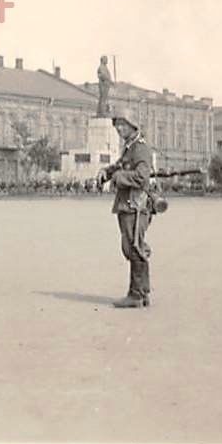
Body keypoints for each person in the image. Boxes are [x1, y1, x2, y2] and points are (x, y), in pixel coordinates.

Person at [97, 108, 154, 308]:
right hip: (129, 204)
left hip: (135, 205)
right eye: (117, 125)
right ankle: (143, 292)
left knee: (134, 247)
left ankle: (136, 295)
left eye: (123, 124)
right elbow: (121, 165)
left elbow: (141, 177)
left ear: (133, 125)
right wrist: (107, 171)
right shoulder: (130, 148)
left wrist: (118, 177)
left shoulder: (140, 148)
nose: (119, 128)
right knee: (132, 246)